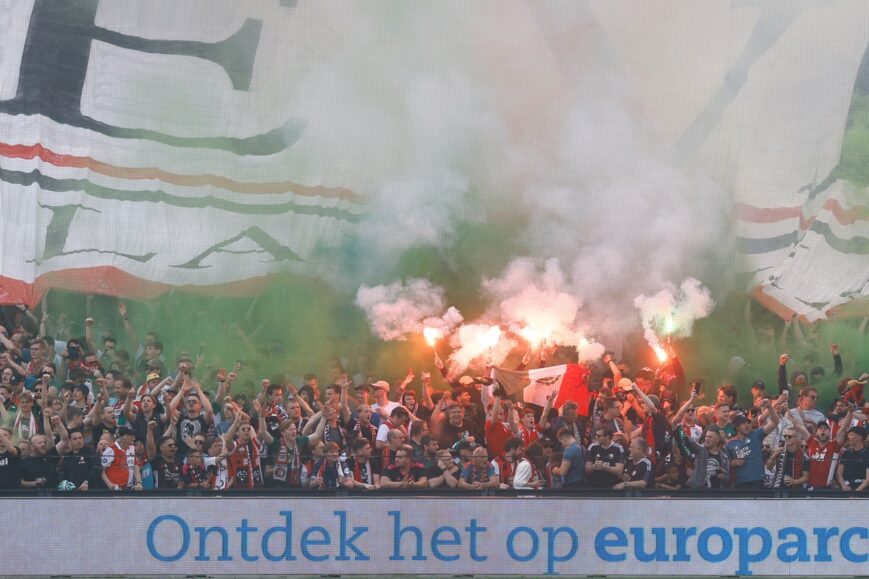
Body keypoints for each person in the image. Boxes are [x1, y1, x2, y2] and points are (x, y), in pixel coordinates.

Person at [727, 397, 781, 489]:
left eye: (748, 423)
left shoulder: (756, 435)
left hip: (758, 481)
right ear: (736, 427)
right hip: (740, 484)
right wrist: (731, 464)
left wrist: (770, 407)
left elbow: (775, 422)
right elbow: (724, 464)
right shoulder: (730, 444)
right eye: (743, 424)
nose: (747, 425)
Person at [685, 426, 730, 490]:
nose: (707, 439)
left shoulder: (724, 457)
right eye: (706, 436)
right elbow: (691, 442)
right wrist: (681, 432)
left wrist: (724, 477)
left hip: (717, 493)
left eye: (710, 437)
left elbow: (728, 478)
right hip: (700, 492)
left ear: (717, 440)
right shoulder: (701, 450)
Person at [101, 426, 141, 491]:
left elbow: (135, 466)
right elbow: (102, 470)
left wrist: (139, 482)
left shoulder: (132, 448)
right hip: (114, 490)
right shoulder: (111, 450)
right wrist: (110, 485)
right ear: (123, 437)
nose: (134, 438)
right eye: (131, 436)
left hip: (129, 488)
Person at [836, 426, 869, 492]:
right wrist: (844, 486)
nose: (848, 437)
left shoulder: (867, 454)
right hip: (846, 490)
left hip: (863, 492)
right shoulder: (846, 453)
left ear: (860, 437)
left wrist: (857, 491)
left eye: (851, 435)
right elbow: (839, 474)